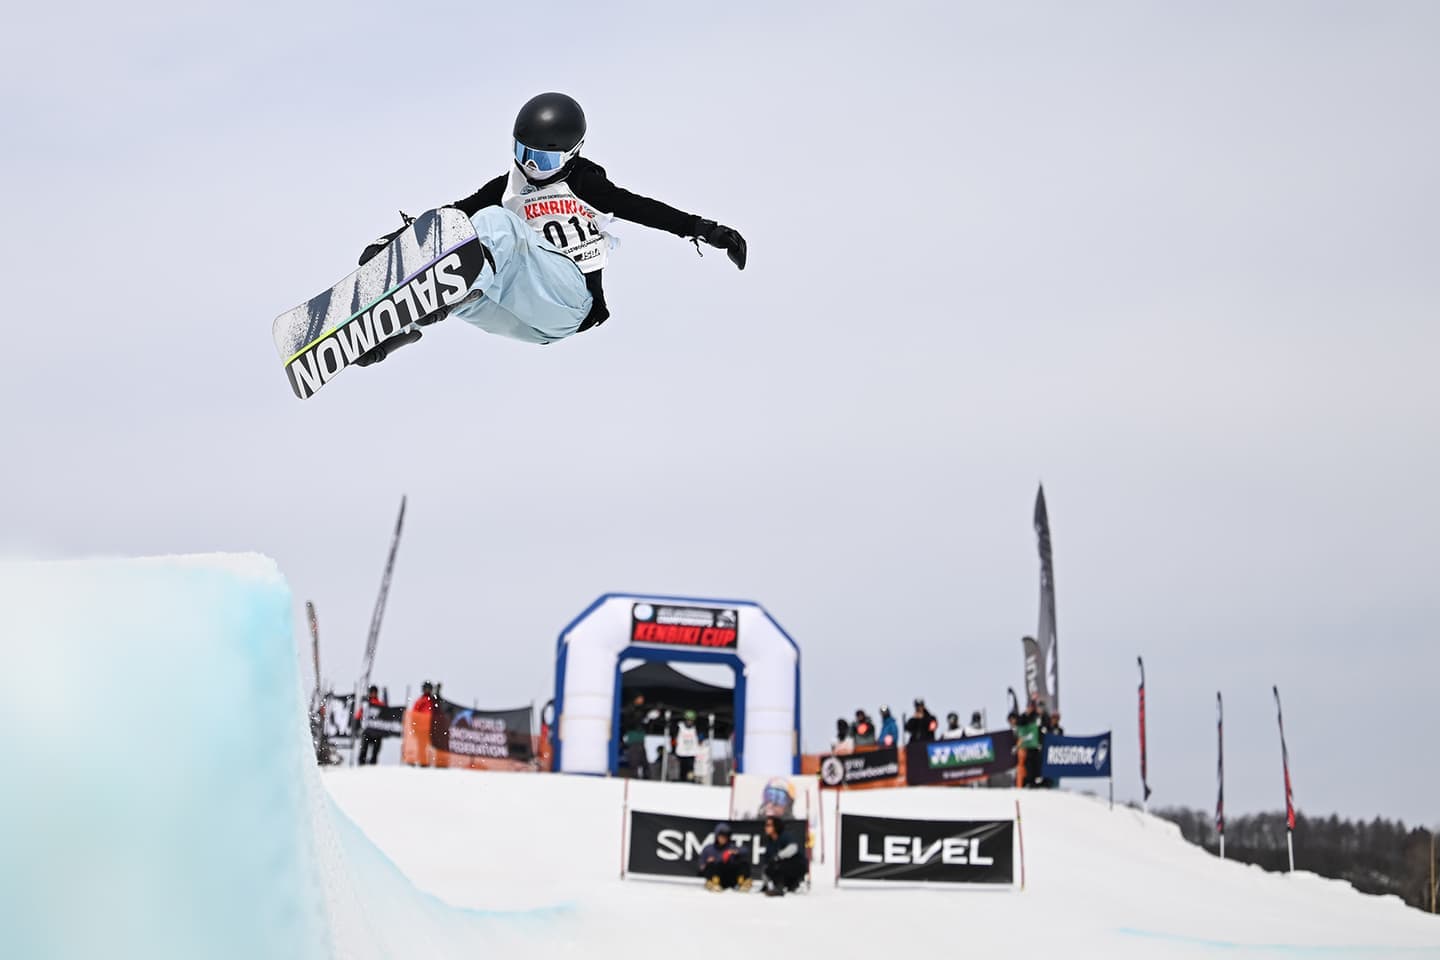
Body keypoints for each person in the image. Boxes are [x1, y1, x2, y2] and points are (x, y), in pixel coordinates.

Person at [355, 92, 747, 367]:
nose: (529, 167)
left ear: (570, 154)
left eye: (541, 160)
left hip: (571, 301)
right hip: (524, 320)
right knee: (465, 245)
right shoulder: (508, 186)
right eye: (522, 153)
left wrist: (705, 230)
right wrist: (397, 243)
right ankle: (392, 331)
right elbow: (452, 216)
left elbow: (642, 208)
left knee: (493, 223)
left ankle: (452, 288)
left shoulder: (584, 183)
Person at [760, 815, 806, 897]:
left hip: (797, 866)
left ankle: (780, 887)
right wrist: (765, 883)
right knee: (769, 867)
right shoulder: (770, 842)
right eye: (766, 825)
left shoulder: (784, 836)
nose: (766, 828)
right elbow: (766, 862)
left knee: (778, 865)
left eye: (769, 825)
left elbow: (793, 848)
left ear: (776, 826)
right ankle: (789, 885)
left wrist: (778, 856)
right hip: (783, 869)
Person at [698, 823, 751, 892]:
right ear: (717, 836)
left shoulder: (731, 847)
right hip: (717, 878)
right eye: (721, 836)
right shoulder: (708, 849)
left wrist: (736, 852)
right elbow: (701, 867)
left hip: (731, 878)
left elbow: (746, 851)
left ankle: (743, 883)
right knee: (711, 865)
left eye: (726, 836)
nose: (723, 838)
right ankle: (713, 884)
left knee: (744, 863)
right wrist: (707, 863)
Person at [358, 685, 385, 765]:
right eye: (372, 692)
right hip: (367, 731)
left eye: (374, 692)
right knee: (364, 749)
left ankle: (373, 764)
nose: (373, 694)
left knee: (376, 750)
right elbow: (359, 715)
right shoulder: (366, 704)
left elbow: (386, 716)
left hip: (377, 732)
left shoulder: (380, 704)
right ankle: (361, 764)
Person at [674, 710, 700, 781]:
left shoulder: (696, 728)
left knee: (690, 769)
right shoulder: (679, 727)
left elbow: (700, 737)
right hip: (681, 752)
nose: (689, 722)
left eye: (691, 720)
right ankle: (682, 780)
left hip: (691, 753)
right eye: (688, 720)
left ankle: (690, 780)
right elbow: (674, 739)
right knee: (682, 768)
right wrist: (674, 746)